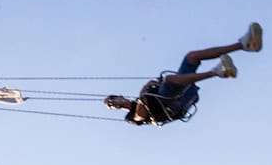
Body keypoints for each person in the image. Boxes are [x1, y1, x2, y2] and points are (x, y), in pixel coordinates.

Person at [104, 23, 262, 126]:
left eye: (111, 100)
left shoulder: (144, 96)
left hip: (179, 94)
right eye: (111, 106)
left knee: (191, 57)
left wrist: (153, 87)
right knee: (170, 79)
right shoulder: (131, 117)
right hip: (171, 105)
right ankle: (217, 71)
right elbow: (141, 114)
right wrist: (143, 93)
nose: (113, 104)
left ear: (119, 96)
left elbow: (148, 97)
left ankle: (244, 44)